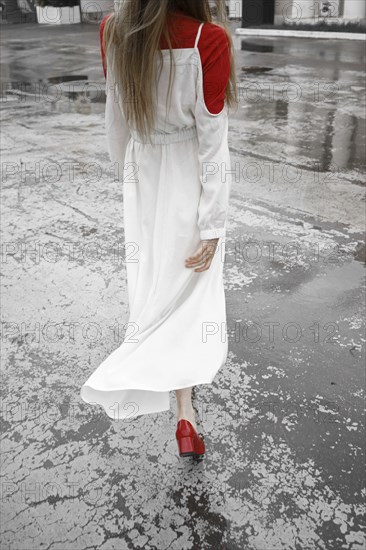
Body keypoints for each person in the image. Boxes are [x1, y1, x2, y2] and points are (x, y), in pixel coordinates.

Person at [80, 0, 238, 459]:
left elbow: (116, 116)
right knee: (189, 294)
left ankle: (181, 405)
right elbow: (213, 143)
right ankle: (185, 414)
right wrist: (212, 224)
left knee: (153, 286)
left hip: (143, 170)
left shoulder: (114, 30)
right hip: (188, 177)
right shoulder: (206, 39)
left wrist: (126, 170)